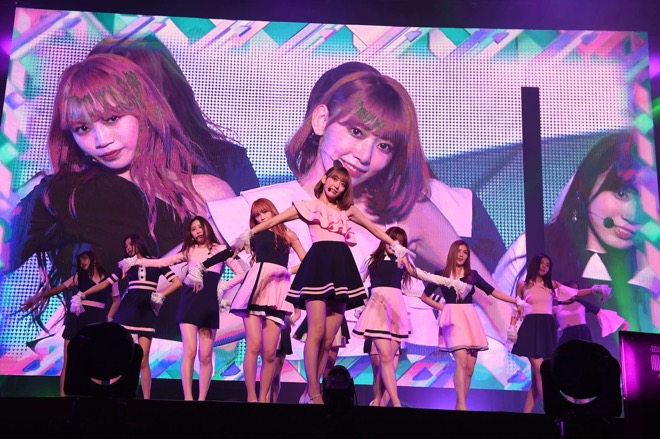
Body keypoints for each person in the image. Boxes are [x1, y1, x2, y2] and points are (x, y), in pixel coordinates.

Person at [210, 68, 511, 348]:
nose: (365, 156)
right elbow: (201, 317)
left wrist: (528, 361)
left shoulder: (407, 213)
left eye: (384, 146)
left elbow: (488, 295)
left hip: (398, 373)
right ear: (321, 120)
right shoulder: (250, 209)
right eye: (356, 132)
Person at [4, 53, 235, 322]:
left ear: (143, 111)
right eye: (82, 128)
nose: (101, 139)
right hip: (97, 343)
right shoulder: (61, 195)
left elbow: (234, 302)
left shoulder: (208, 194)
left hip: (180, 343)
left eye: (112, 118)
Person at [230, 166, 413, 405]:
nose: (337, 186)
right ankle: (315, 391)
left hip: (340, 269)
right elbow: (274, 220)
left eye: (343, 184)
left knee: (329, 339)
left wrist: (396, 246)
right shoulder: (307, 206)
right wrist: (247, 234)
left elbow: (375, 229)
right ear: (325, 179)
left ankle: (311, 388)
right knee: (315, 330)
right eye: (334, 179)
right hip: (318, 267)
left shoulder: (347, 210)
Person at [494, 130, 656, 356]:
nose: (632, 214)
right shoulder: (536, 247)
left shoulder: (651, 270)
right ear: (586, 187)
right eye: (621, 193)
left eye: (647, 198)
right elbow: (496, 332)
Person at [88, 34, 259, 195]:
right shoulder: (82, 172)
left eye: (129, 95)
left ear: (165, 92)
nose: (112, 107)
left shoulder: (226, 161)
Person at [191, 198, 306, 402]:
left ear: (273, 211)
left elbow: (306, 260)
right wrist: (203, 266)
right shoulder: (254, 234)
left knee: (269, 352)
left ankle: (263, 398)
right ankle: (252, 398)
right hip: (256, 288)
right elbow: (229, 252)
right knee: (253, 346)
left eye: (264, 212)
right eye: (257, 215)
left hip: (278, 290)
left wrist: (287, 271)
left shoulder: (289, 235)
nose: (261, 217)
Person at [119, 217, 245, 401]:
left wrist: (224, 285)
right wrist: (137, 262)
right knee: (190, 351)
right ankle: (188, 398)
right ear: (190, 234)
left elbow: (241, 273)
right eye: (193, 229)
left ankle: (202, 399)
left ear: (207, 228)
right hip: (189, 301)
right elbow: (163, 262)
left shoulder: (220, 250)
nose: (197, 231)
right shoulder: (189, 250)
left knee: (205, 355)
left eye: (200, 227)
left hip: (209, 303)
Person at [419, 240, 523, 411]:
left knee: (469, 367)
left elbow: (493, 292)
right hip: (453, 320)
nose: (461, 255)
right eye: (459, 251)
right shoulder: (441, 274)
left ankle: (459, 404)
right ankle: (462, 405)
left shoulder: (471, 275)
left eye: (465, 252)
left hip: (470, 320)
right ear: (453, 253)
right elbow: (424, 296)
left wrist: (515, 300)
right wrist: (443, 308)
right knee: (461, 362)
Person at [80, 234, 183, 399]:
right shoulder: (126, 264)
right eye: (125, 246)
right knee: (120, 356)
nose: (127, 248)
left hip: (147, 312)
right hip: (128, 311)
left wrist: (161, 295)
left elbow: (177, 282)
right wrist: (83, 294)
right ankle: (116, 396)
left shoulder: (155, 262)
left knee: (143, 360)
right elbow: (106, 283)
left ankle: (146, 399)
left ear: (138, 243)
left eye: (129, 244)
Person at [509, 254, 610, 413]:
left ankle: (526, 414)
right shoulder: (523, 285)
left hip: (546, 327)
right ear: (535, 264)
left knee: (538, 375)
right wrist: (512, 327)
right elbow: (517, 307)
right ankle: (554, 410)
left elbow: (574, 293)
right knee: (541, 371)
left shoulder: (552, 285)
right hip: (531, 328)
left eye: (547, 264)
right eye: (541, 263)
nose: (544, 266)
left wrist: (594, 289)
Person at [20, 250, 116, 396]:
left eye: (84, 259)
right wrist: (36, 298)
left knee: (95, 359)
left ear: (94, 260)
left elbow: (116, 300)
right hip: (78, 318)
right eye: (80, 260)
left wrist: (108, 318)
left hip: (97, 321)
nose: (82, 262)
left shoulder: (110, 279)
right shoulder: (78, 276)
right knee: (69, 359)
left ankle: (93, 397)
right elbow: (58, 289)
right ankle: (63, 396)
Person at [554, 280, 628, 346]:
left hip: (582, 335)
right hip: (567, 338)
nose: (574, 291)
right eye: (572, 289)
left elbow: (601, 312)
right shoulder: (556, 308)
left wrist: (624, 323)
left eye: (576, 289)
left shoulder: (580, 303)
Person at [269, 308, 301, 403]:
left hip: (282, 332)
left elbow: (298, 313)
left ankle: (273, 401)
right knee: (267, 374)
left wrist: (287, 323)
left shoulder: (289, 298)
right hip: (269, 328)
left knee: (275, 376)